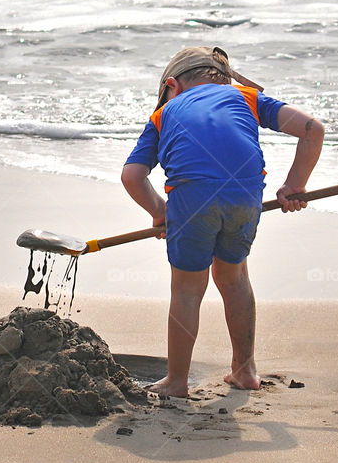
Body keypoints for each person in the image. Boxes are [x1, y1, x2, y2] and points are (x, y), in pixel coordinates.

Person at [121, 46, 324, 398]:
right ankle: (245, 371)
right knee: (233, 277)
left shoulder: (164, 113)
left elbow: (132, 176)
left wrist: (159, 210)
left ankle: (176, 382)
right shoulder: (247, 96)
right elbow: (312, 129)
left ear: (172, 84)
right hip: (245, 195)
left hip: (191, 195)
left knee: (187, 288)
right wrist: (295, 185)